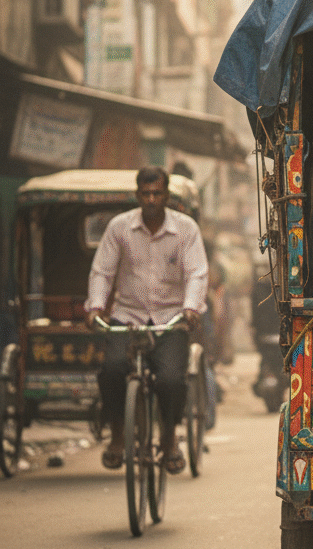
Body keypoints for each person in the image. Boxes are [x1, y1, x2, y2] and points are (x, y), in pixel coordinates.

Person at [85, 167, 209, 475]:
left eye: (157, 193)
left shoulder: (186, 229)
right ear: (138, 195)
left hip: (170, 320)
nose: (151, 199)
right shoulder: (120, 228)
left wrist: (191, 307)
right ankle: (116, 436)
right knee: (112, 369)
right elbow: (102, 271)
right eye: (145, 194)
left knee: (170, 380)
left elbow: (196, 273)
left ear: (167, 196)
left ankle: (168, 438)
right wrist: (96, 305)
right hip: (128, 316)